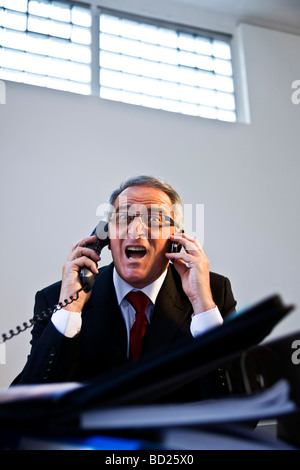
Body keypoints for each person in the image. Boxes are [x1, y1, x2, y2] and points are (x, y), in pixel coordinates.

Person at [13, 175, 236, 389]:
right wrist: (69, 311)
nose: (136, 230)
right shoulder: (57, 300)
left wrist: (203, 307)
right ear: (106, 237)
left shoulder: (213, 295)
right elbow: (25, 410)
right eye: (123, 218)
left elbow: (241, 411)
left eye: (154, 219)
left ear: (175, 240)